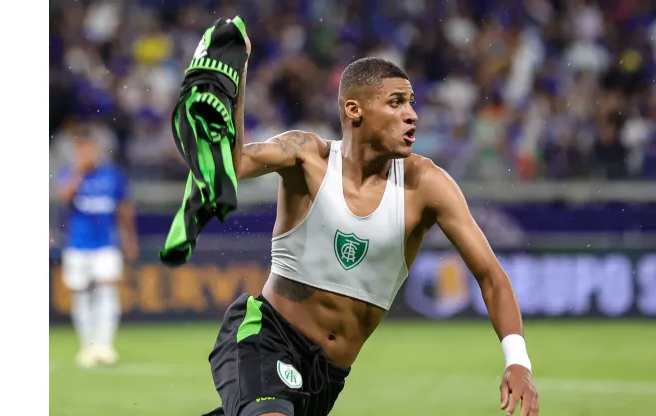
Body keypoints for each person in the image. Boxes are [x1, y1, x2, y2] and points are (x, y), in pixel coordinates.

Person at [206, 53, 539, 416]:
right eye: (396, 102)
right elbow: (232, 164)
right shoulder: (306, 156)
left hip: (326, 378)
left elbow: (491, 276)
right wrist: (233, 86)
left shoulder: (427, 185)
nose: (411, 114)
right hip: (264, 336)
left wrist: (518, 360)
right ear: (354, 110)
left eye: (411, 103)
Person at [55, 124, 139, 368]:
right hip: (77, 244)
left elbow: (124, 210)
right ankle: (87, 347)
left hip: (106, 244)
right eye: (81, 149)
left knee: (106, 291)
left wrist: (129, 239)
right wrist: (78, 171)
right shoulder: (69, 173)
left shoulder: (112, 175)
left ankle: (105, 346)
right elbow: (63, 197)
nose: (86, 153)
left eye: (89, 148)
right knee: (81, 294)